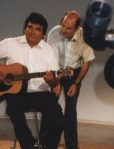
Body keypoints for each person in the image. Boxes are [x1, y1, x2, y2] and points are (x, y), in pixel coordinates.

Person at [0, 12, 64, 149]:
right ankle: (29, 145)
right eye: (30, 27)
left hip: (41, 94)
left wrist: (52, 82)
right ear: (24, 29)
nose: (32, 31)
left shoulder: (48, 50)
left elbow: (55, 81)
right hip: (17, 94)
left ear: (43, 34)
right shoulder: (11, 43)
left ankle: (45, 145)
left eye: (38, 29)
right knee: (13, 110)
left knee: (59, 120)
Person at [47, 11, 95, 149]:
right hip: (56, 70)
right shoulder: (54, 33)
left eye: (68, 28)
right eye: (63, 25)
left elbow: (86, 63)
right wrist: (55, 83)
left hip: (74, 72)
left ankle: (72, 145)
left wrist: (76, 83)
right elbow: (50, 60)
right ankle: (48, 144)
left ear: (76, 28)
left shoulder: (84, 37)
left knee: (71, 108)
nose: (64, 30)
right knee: (50, 105)